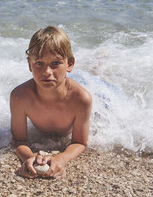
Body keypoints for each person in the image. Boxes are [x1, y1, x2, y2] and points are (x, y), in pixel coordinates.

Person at [10, 25, 92, 179]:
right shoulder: (20, 97)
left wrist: (61, 158)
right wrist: (29, 157)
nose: (47, 72)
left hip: (90, 90)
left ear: (69, 64)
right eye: (39, 63)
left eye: (55, 63)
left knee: (93, 75)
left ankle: (97, 65)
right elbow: (19, 140)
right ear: (29, 65)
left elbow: (80, 142)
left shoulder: (81, 99)